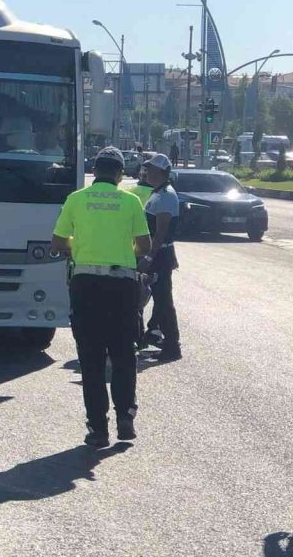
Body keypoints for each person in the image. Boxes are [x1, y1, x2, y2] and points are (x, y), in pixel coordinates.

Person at [51, 146, 151, 447]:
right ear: (120, 174)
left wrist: (78, 249)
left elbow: (58, 242)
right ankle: (125, 419)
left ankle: (98, 429)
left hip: (85, 285)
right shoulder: (131, 201)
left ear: (97, 170)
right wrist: (122, 252)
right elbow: (144, 246)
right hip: (121, 286)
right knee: (123, 355)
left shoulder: (76, 199)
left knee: (91, 359)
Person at [142, 154, 182, 360]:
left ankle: (172, 345)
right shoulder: (158, 193)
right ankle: (153, 333)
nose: (146, 171)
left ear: (160, 173)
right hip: (160, 253)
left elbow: (161, 232)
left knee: (163, 299)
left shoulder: (165, 195)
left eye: (150, 169)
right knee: (159, 298)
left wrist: (148, 258)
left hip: (159, 254)